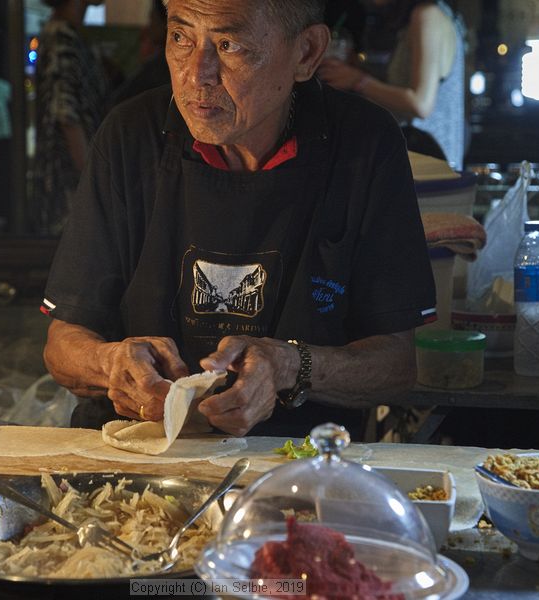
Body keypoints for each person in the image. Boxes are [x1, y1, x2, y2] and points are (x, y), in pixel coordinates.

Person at [41, 0, 437, 439]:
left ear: (306, 52)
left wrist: (290, 366)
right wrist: (109, 363)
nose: (197, 75)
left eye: (229, 45)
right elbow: (63, 343)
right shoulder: (129, 135)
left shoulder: (365, 144)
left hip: (297, 456)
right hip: (135, 447)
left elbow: (397, 364)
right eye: (181, 38)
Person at [318, 0, 465, 170]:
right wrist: (357, 70)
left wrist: (358, 80)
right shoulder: (416, 17)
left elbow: (421, 104)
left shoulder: (427, 15)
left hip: (430, 165)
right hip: (417, 160)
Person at [31, 0, 109, 233]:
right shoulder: (61, 37)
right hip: (68, 190)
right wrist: (94, 185)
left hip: (70, 185)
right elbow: (66, 116)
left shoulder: (66, 34)